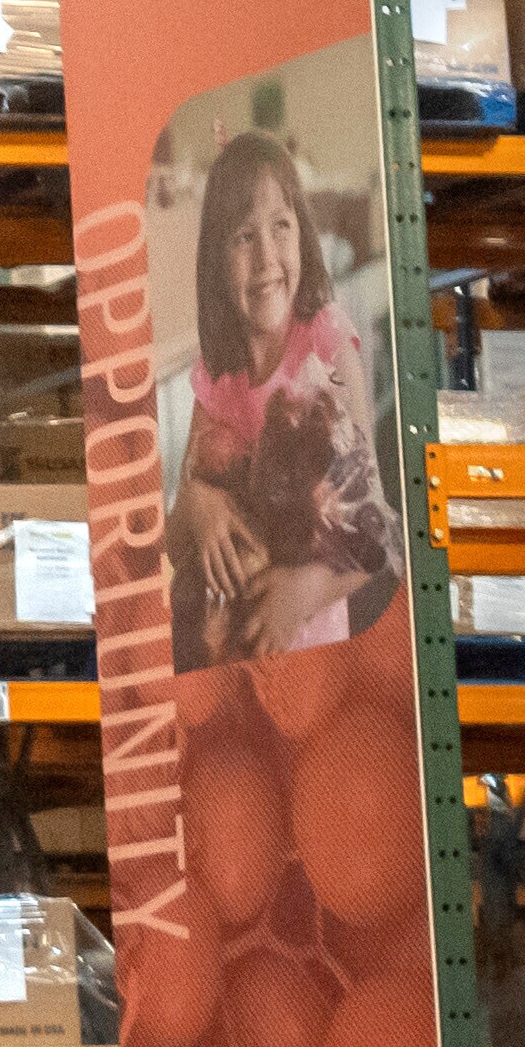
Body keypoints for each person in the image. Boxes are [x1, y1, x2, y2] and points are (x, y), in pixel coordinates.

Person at [164, 126, 403, 665]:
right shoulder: (217, 373)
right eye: (243, 237)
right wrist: (198, 508)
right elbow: (174, 536)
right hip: (228, 658)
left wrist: (309, 591)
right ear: (215, 260)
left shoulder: (327, 349)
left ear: (303, 237)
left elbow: (375, 537)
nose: (266, 256)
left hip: (310, 657)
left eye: (281, 227)